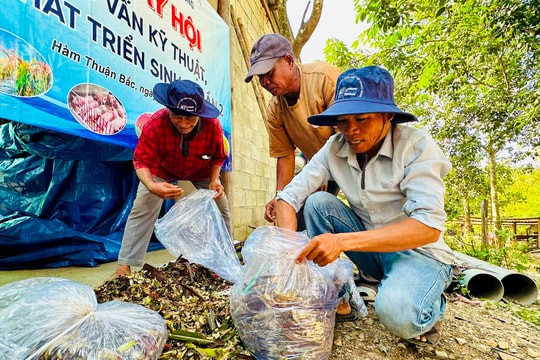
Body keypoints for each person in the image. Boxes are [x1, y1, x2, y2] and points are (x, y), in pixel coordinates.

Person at [274, 66, 455, 346]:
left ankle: (429, 301)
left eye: (362, 118)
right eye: (342, 121)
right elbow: (288, 198)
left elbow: (428, 227)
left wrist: (341, 241)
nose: (351, 130)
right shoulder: (335, 146)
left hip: (419, 253)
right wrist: (288, 254)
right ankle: (340, 298)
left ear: (388, 115)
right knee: (318, 202)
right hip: (371, 251)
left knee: (398, 315)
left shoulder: (416, 146)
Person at [114, 79, 232, 277]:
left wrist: (215, 180)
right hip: (162, 168)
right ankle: (124, 265)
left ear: (199, 115)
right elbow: (141, 161)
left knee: (222, 208)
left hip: (200, 170)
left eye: (191, 119)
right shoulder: (154, 125)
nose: (184, 124)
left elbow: (219, 156)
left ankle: (225, 259)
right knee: (142, 207)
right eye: (177, 117)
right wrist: (151, 185)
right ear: (168, 109)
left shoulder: (213, 126)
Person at [244, 33, 341, 229]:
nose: (265, 83)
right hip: (319, 168)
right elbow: (285, 156)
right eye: (260, 78)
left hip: (352, 163)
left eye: (269, 73)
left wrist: (319, 173)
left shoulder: (326, 80)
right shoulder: (274, 109)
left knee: (354, 215)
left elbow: (348, 137)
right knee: (298, 219)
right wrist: (281, 196)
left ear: (289, 60)